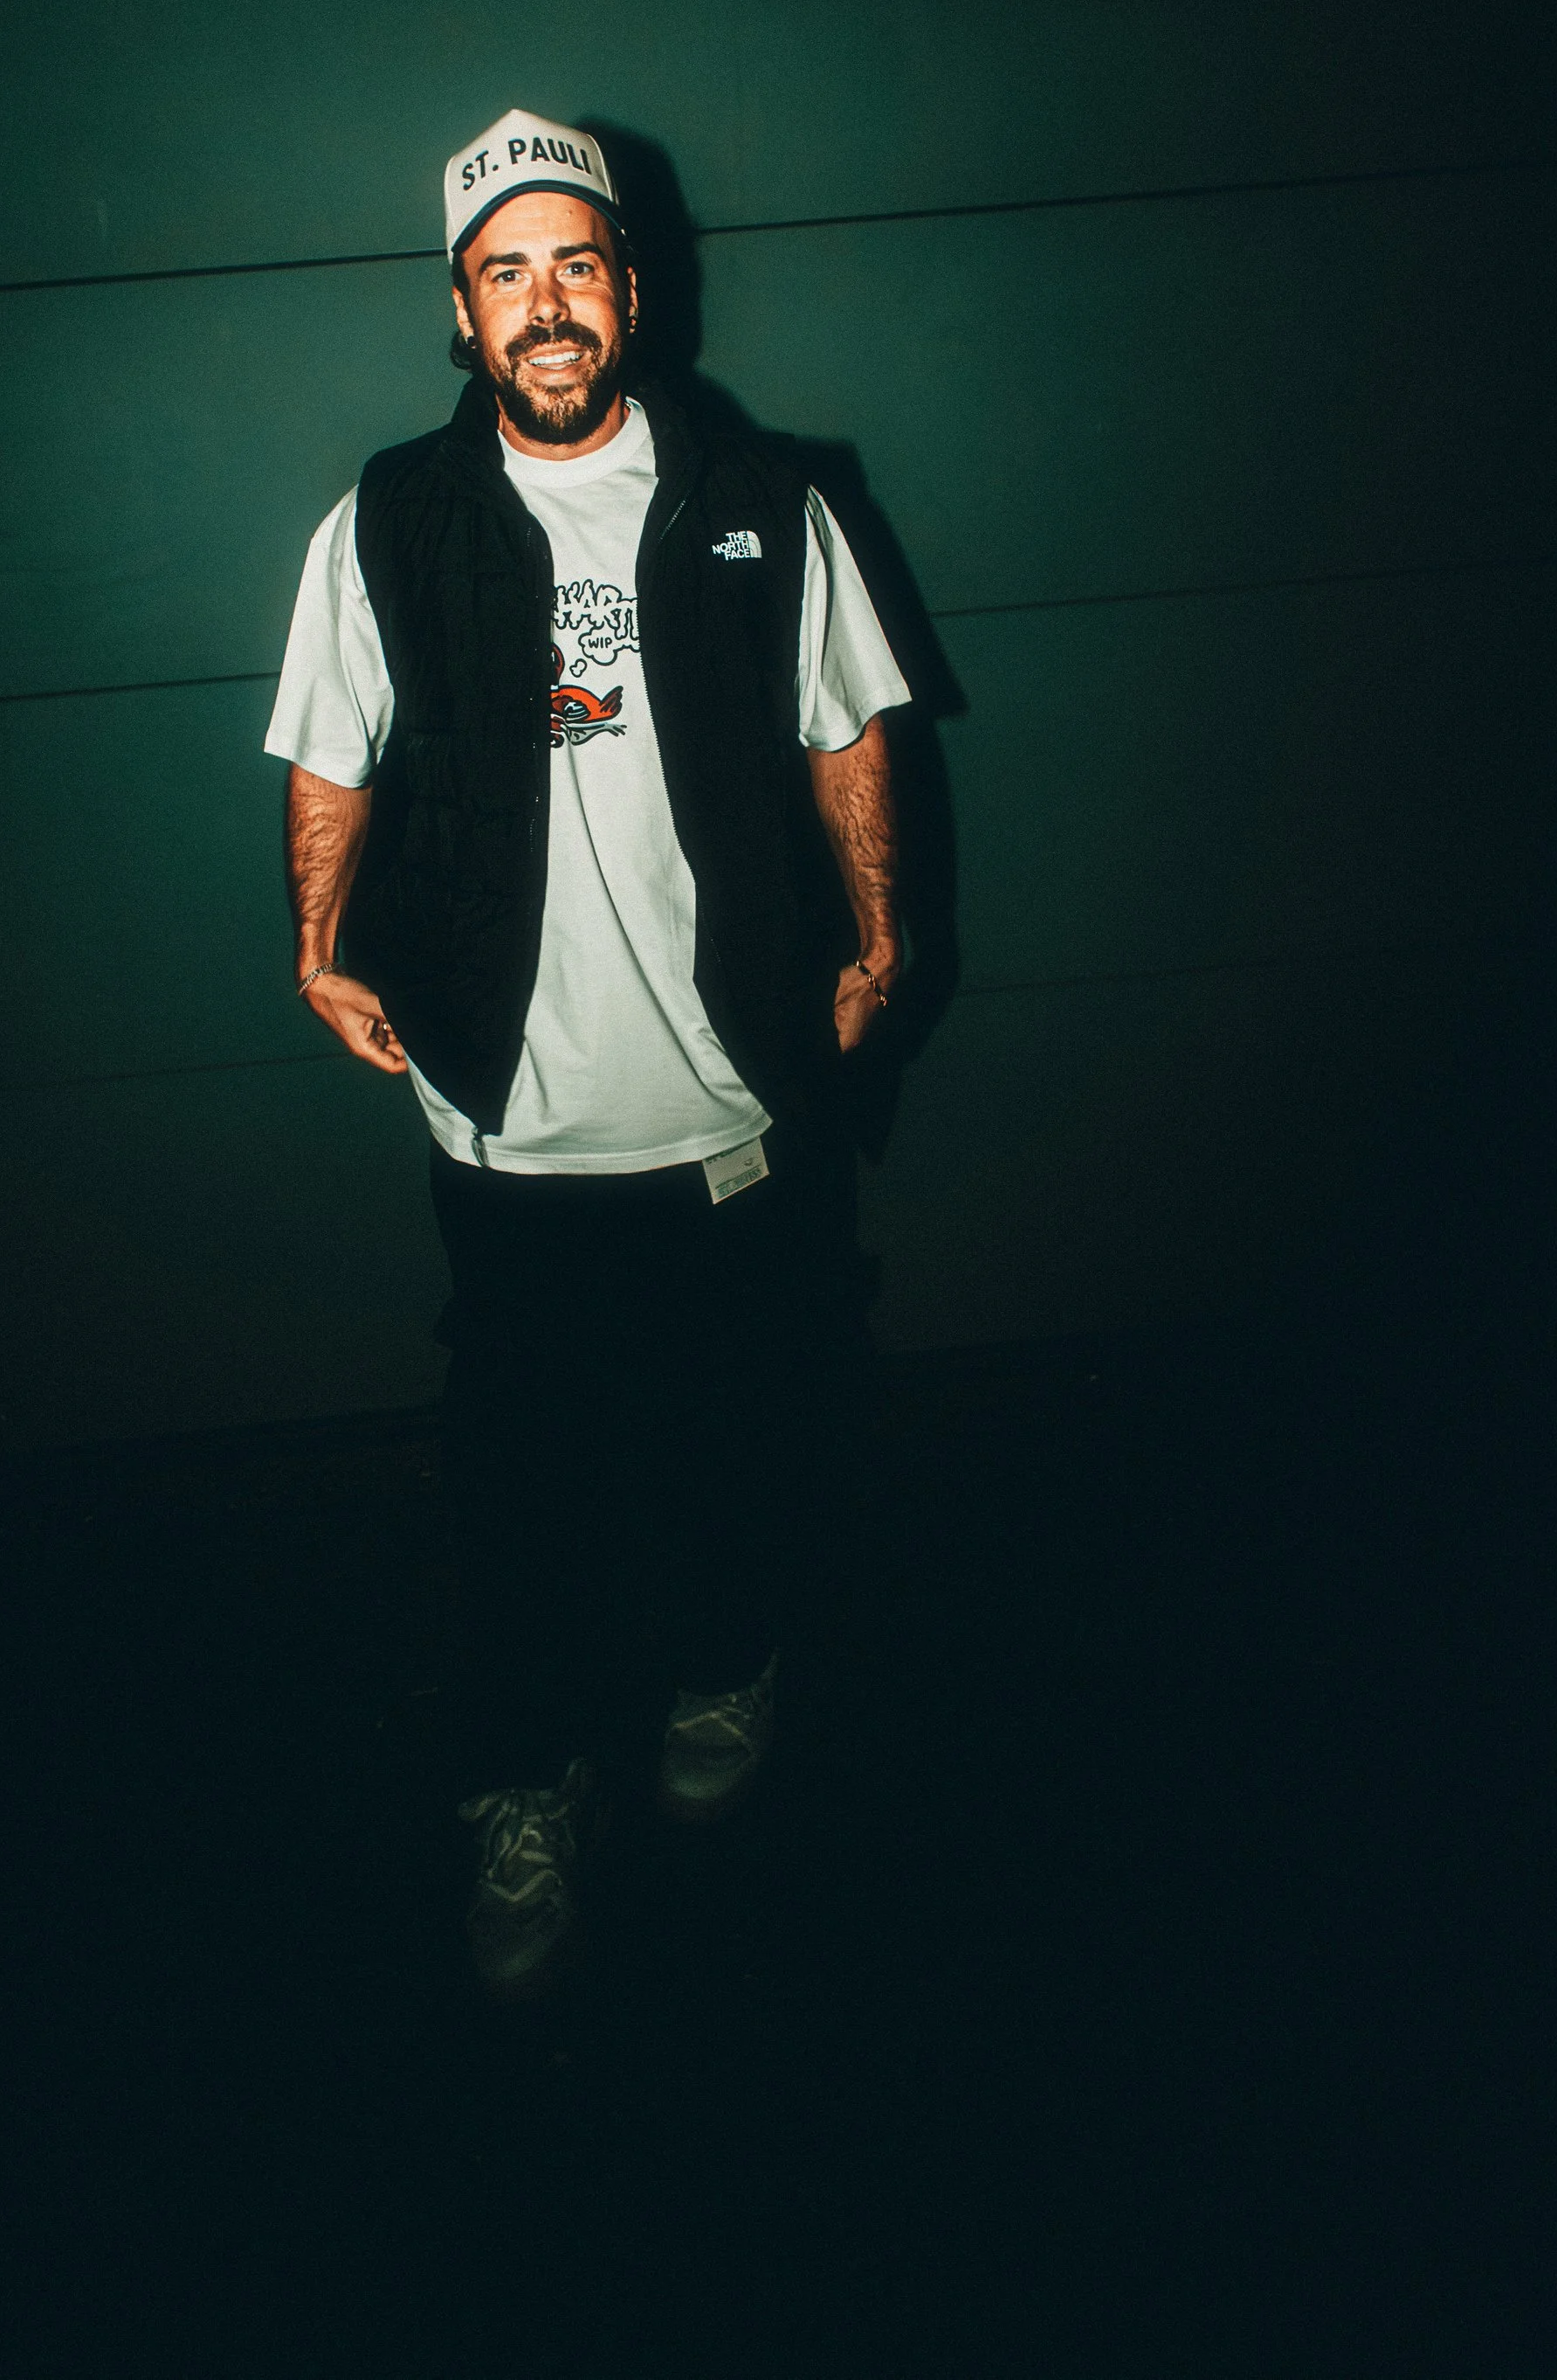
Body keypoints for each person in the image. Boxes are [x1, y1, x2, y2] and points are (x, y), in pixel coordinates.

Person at [265, 108, 909, 1998]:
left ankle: (723, 1664)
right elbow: (330, 746)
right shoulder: (389, 518)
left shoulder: (760, 498)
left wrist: (879, 932)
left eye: (573, 264)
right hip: (509, 1124)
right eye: (504, 274)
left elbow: (848, 724)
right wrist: (313, 939)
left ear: (631, 285)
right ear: (459, 312)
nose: (543, 304)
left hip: (733, 1109)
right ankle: (524, 1782)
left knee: (741, 1432)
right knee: (520, 1492)